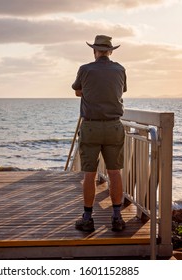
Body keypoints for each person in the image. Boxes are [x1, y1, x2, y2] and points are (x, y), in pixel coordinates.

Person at [72, 35, 127, 232]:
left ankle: (87, 218)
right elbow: (120, 91)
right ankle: (117, 217)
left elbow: (77, 90)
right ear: (110, 51)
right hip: (114, 126)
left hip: (91, 127)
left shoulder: (85, 69)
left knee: (90, 174)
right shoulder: (120, 69)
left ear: (94, 51)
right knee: (115, 173)